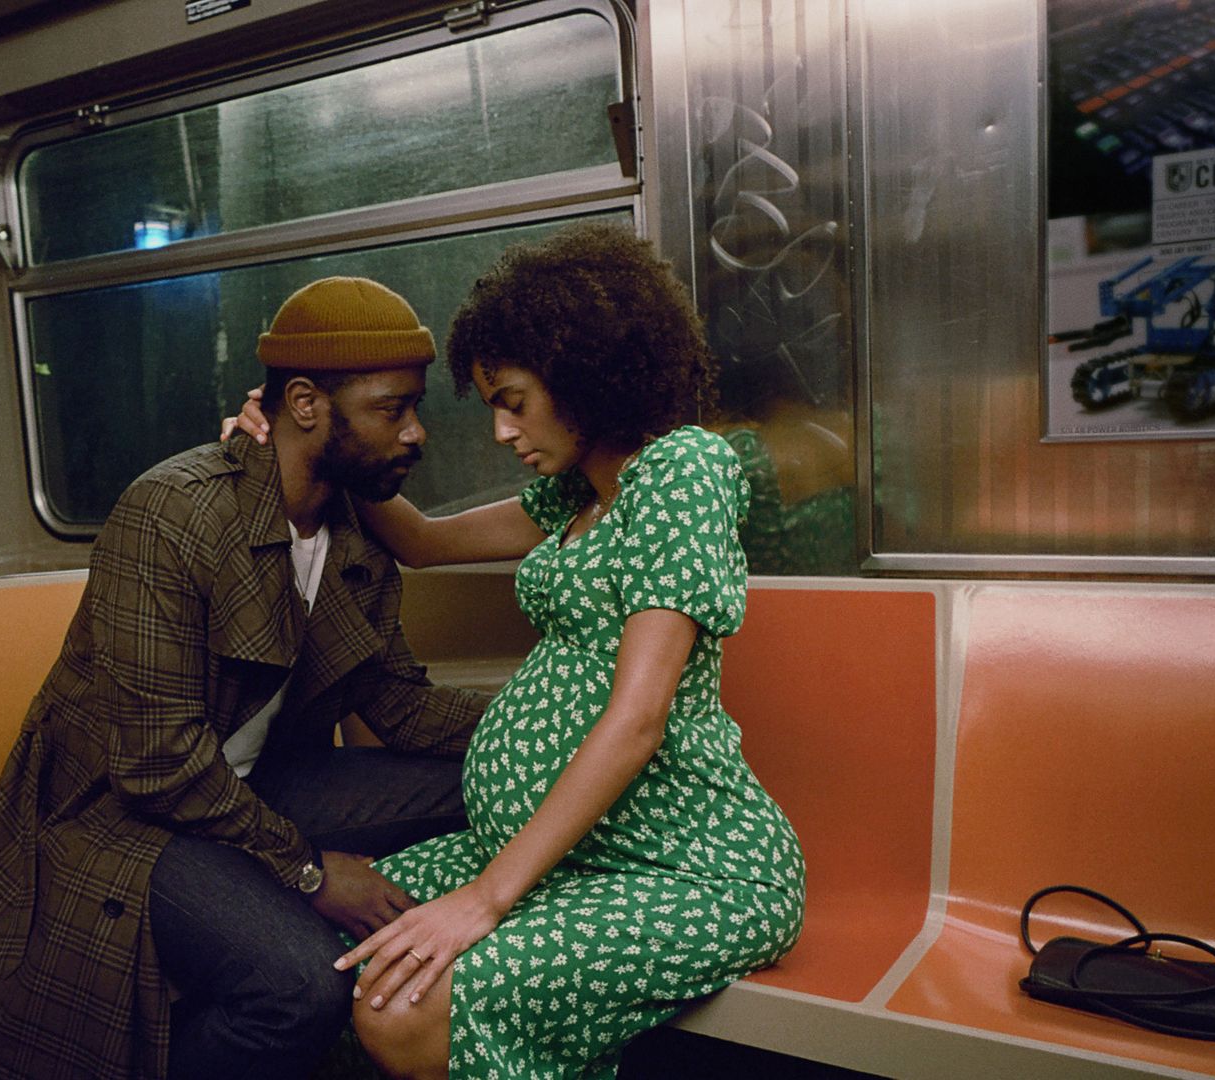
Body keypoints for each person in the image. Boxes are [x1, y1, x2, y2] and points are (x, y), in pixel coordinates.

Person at [226, 223, 805, 1079]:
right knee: (327, 938)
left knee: (401, 1007)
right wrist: (305, 438)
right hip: (567, 855)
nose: (501, 429)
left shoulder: (682, 471)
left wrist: (486, 900)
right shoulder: (575, 491)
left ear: (584, 377)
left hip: (685, 866)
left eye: (514, 400)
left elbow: (639, 718)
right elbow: (419, 542)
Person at [0, 277, 493, 1080]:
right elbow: (157, 762)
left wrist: (552, 729)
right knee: (299, 989)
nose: (416, 433)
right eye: (392, 409)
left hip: (257, 785)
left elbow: (394, 700)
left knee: (489, 779)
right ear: (305, 403)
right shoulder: (173, 514)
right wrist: (312, 874)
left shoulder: (354, 532)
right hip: (123, 813)